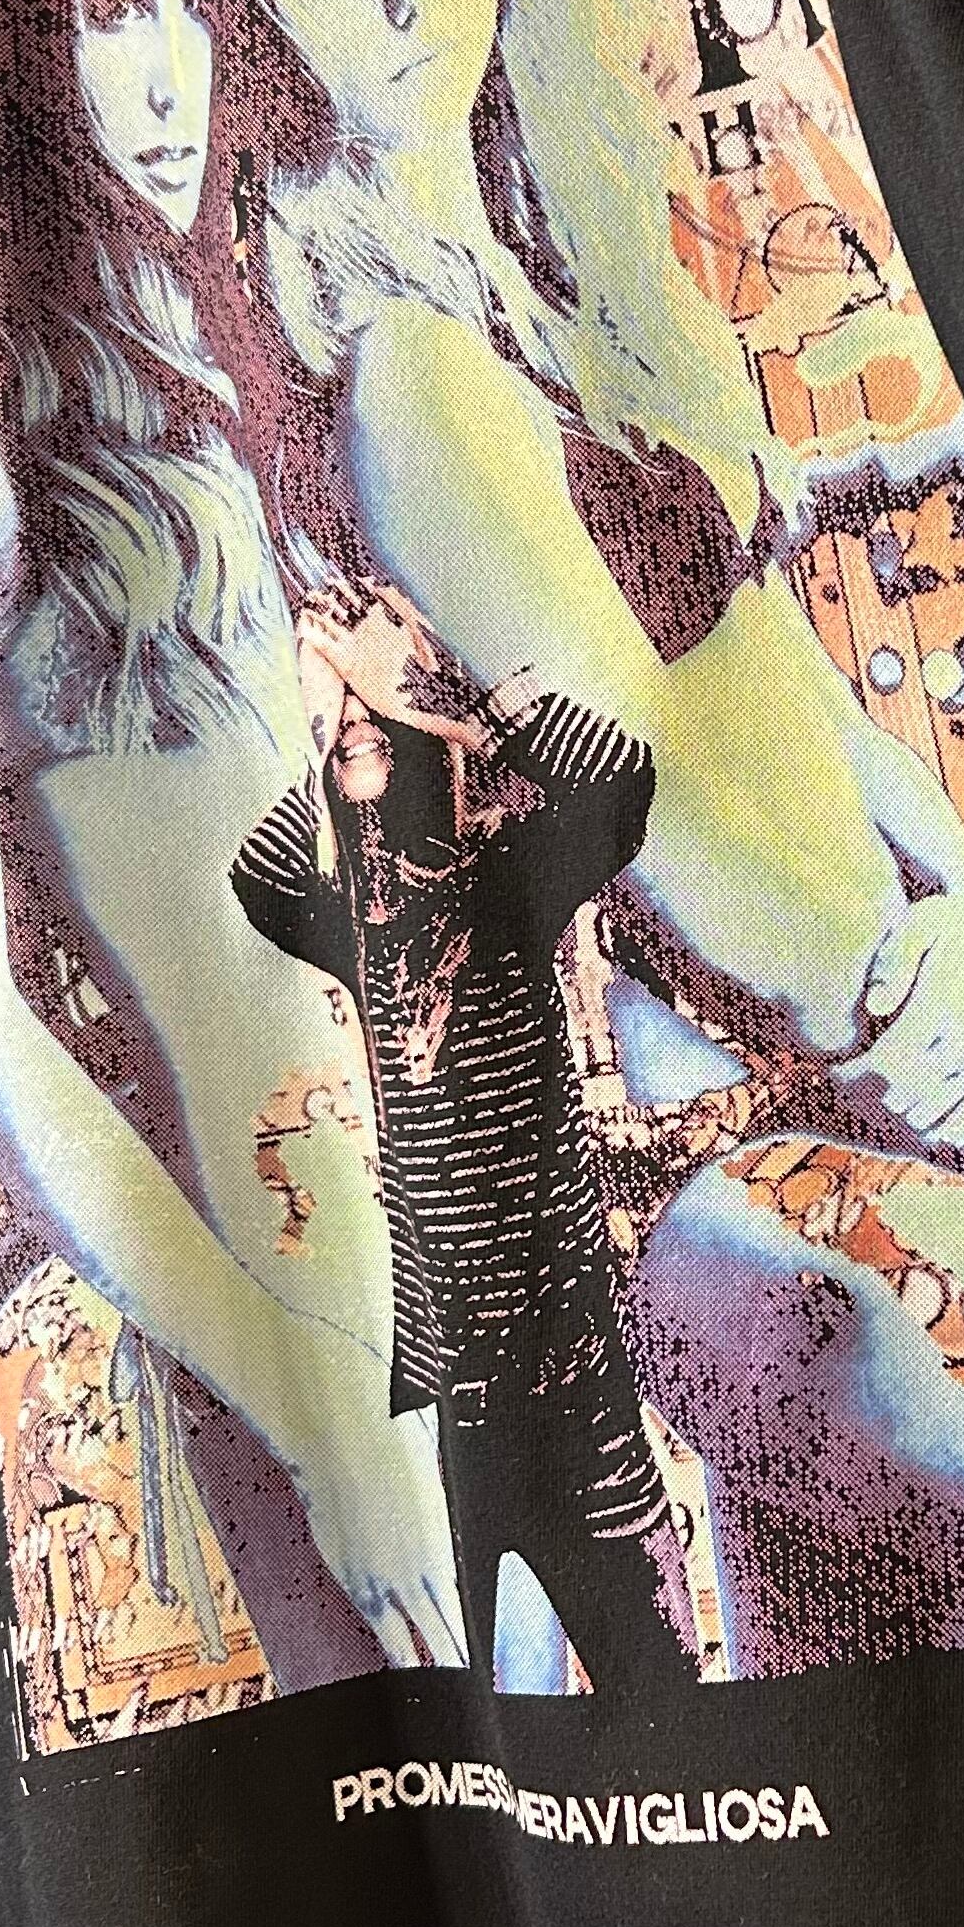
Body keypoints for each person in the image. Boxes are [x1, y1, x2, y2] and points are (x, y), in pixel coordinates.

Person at [211, 0, 964, 1670]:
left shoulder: (533, 270)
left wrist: (959, 914)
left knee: (906, 1744)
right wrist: (945, 1070)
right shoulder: (407, 368)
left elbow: (777, 663)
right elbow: (647, 807)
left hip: (835, 1094)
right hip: (753, 1153)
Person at [0, 0, 467, 1685]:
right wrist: (315, 1414)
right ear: (24, 31)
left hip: (472, 1281)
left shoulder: (258, 310)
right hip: (291, 1364)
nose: (167, 76)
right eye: (110, 4)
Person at [230, 591, 700, 1705]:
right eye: (337, 710)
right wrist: (315, 716)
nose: (355, 716)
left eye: (371, 705)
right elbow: (260, 877)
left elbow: (619, 786)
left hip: (575, 1390)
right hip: (448, 1414)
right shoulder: (348, 919)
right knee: (471, 1729)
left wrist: (449, 695)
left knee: (666, 1704)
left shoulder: (506, 874)